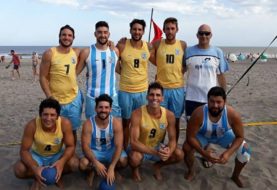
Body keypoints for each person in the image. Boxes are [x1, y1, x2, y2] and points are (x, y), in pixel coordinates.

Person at [183, 86, 251, 187]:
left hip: (223, 135)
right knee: (187, 147)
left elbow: (240, 137)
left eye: (219, 102)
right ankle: (191, 171)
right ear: (207, 100)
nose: (215, 105)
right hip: (204, 135)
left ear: (225, 101)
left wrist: (228, 153)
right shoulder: (198, 113)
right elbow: (190, 137)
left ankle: (235, 176)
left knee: (245, 151)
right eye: (212, 101)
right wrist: (204, 153)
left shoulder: (233, 114)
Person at [13, 98, 79, 190]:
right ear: (40, 115)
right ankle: (37, 177)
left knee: (75, 163)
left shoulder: (65, 123)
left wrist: (61, 162)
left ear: (57, 116)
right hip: (38, 156)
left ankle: (57, 176)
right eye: (45, 114)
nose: (48, 118)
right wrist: (34, 168)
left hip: (56, 155)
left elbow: (70, 146)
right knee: (19, 169)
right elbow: (24, 151)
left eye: (52, 115)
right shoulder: (32, 125)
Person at [129, 82, 184, 181]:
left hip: (157, 147)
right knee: (134, 158)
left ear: (162, 98)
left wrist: (168, 151)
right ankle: (135, 170)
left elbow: (172, 140)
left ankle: (157, 166)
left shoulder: (169, 115)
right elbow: (133, 143)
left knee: (179, 154)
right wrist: (156, 153)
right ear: (147, 97)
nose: (154, 98)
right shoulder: (137, 113)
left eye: (158, 95)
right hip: (141, 148)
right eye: (151, 95)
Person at [39, 25, 83, 144]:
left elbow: (91, 51)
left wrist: (110, 44)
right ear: (59, 36)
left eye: (69, 35)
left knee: (72, 130)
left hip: (74, 99)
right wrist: (49, 96)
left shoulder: (76, 52)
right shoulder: (49, 53)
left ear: (73, 38)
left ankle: (71, 154)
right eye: (64, 35)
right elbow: (42, 77)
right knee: (56, 129)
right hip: (56, 100)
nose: (66, 37)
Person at [150, 17, 187, 141]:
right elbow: (146, 54)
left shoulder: (182, 44)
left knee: (175, 120)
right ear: (164, 30)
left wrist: (179, 71)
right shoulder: (157, 43)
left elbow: (186, 64)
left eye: (172, 28)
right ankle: (160, 145)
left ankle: (173, 147)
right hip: (162, 89)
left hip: (178, 88)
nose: (170, 31)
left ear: (177, 29)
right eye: (167, 29)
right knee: (161, 119)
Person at [116, 19, 151, 149]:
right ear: (130, 30)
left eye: (140, 29)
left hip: (142, 91)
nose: (137, 32)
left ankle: (137, 148)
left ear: (143, 31)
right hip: (125, 91)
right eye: (134, 29)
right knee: (126, 122)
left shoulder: (148, 46)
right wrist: (126, 74)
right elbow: (116, 65)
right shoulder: (122, 45)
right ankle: (124, 148)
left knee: (139, 122)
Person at [79, 94, 127, 187]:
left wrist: (112, 167)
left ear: (110, 109)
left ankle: (113, 170)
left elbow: (119, 146)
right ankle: (92, 172)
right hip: (95, 151)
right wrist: (96, 162)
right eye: (100, 107)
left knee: (124, 161)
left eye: (106, 107)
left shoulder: (116, 123)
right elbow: (85, 147)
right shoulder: (88, 123)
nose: (103, 110)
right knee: (83, 164)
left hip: (110, 151)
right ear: (96, 109)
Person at [184, 24, 229, 121]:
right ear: (197, 35)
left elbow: (220, 76)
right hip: (191, 98)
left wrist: (224, 95)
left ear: (211, 35)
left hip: (211, 99)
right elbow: (181, 71)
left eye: (207, 33)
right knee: (192, 129)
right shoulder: (188, 51)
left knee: (209, 128)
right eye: (201, 33)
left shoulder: (218, 52)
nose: (204, 36)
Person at [77, 21, 121, 119]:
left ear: (109, 34)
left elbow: (119, 70)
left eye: (105, 32)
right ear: (95, 34)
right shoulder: (87, 52)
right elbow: (75, 72)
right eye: (99, 32)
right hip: (92, 97)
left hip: (111, 96)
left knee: (113, 127)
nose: (102, 35)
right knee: (92, 127)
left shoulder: (115, 51)